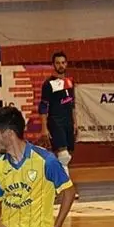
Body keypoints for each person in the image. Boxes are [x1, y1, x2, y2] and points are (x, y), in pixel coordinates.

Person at [39, 51, 79, 198]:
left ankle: (53, 184)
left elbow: (72, 104)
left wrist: (75, 122)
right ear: (53, 65)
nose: (61, 65)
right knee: (63, 156)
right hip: (56, 121)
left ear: (66, 64)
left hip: (68, 122)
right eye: (58, 63)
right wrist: (44, 128)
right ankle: (67, 189)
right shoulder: (48, 84)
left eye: (63, 62)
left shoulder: (69, 82)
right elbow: (43, 106)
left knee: (66, 157)